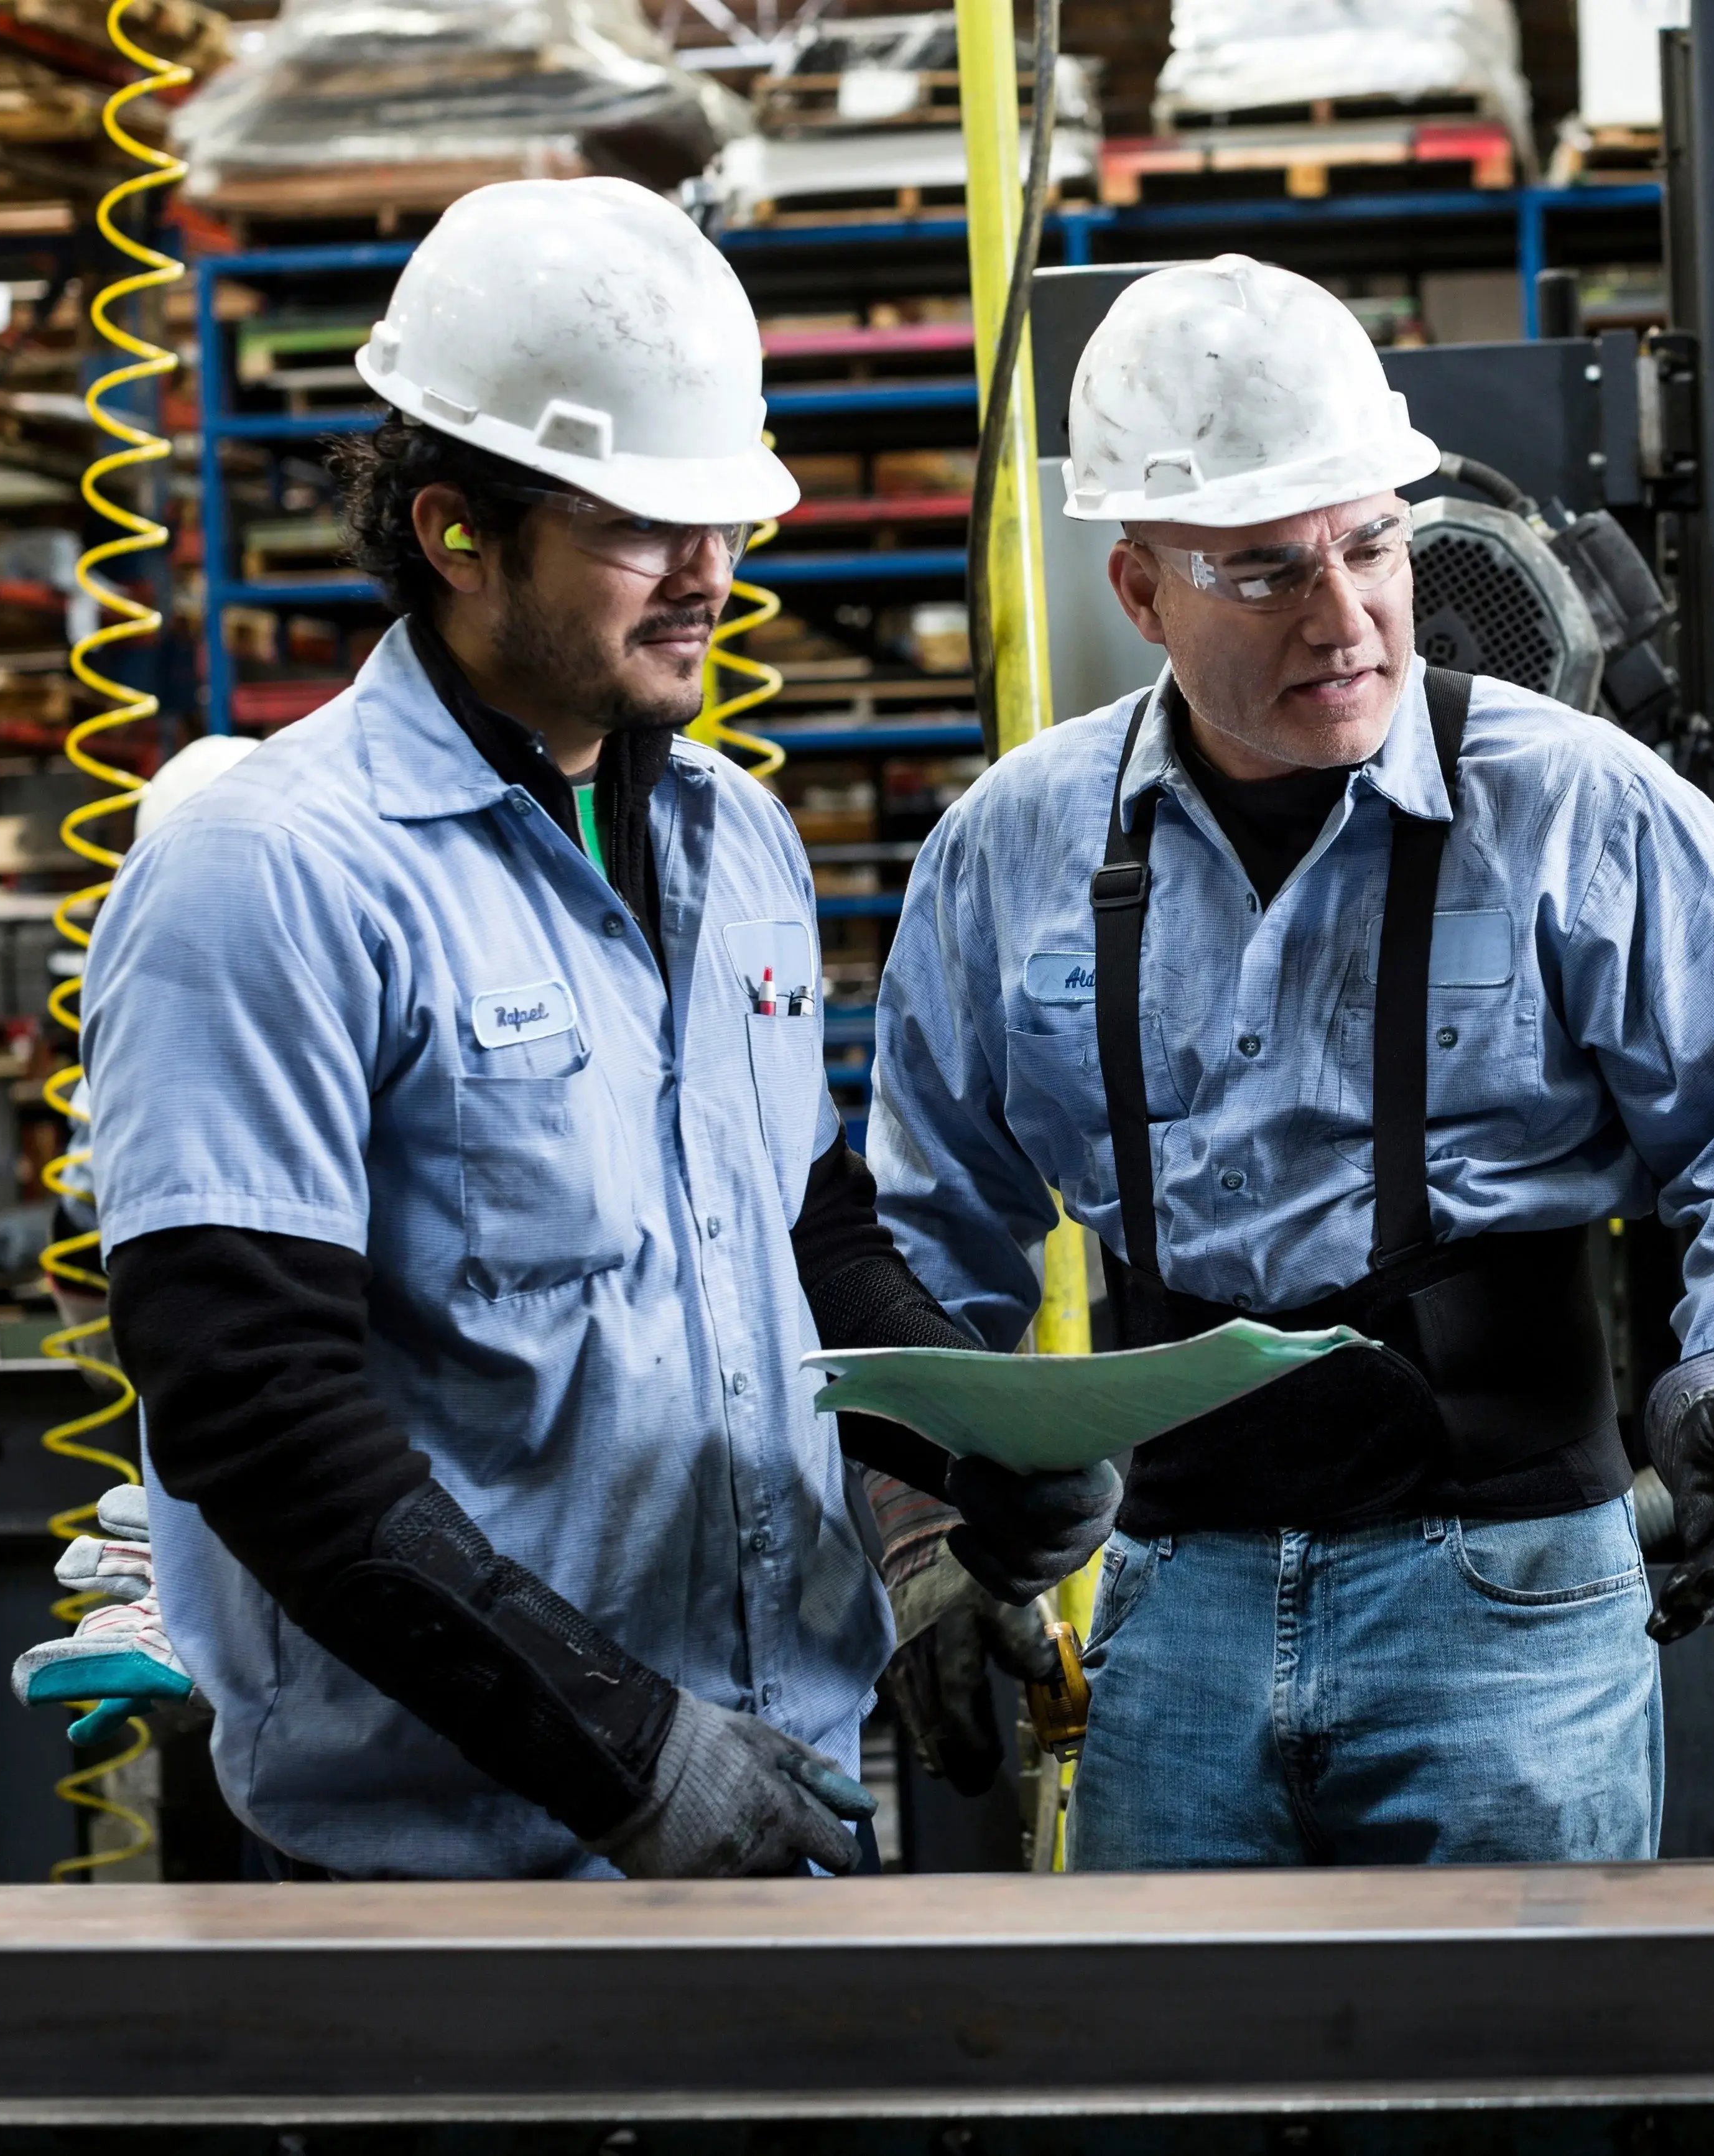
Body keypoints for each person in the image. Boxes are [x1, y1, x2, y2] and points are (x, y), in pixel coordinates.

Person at [77, 176, 1113, 1880]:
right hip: (446, 1864)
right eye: (645, 526)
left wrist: (966, 1464)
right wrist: (619, 1746)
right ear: (456, 532)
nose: (713, 574)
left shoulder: (738, 842)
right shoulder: (266, 870)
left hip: (773, 1792)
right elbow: (252, 1405)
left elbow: (801, 1236)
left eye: (727, 521)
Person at [870, 254, 1714, 1869]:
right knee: (1181, 2097)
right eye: (1267, 572)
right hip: (1171, 1608)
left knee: (1514, 2092)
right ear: (1140, 592)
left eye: (1374, 546)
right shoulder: (1009, 854)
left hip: (1509, 1601)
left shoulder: (1586, 816)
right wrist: (922, 1535)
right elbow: (924, 1237)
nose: (1347, 621)